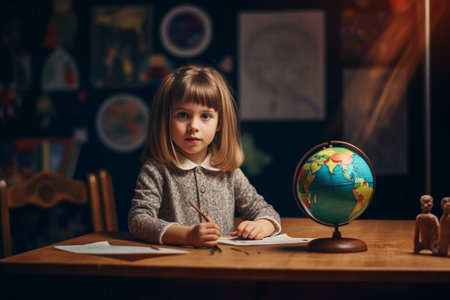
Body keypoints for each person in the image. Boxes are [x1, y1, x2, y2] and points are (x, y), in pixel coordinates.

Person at [128, 65, 281, 248]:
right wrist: (187, 236)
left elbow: (265, 211)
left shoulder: (227, 171)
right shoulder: (156, 170)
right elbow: (138, 220)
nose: (193, 126)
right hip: (173, 268)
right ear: (166, 120)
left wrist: (259, 227)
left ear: (219, 123)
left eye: (206, 116)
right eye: (183, 115)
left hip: (223, 266)